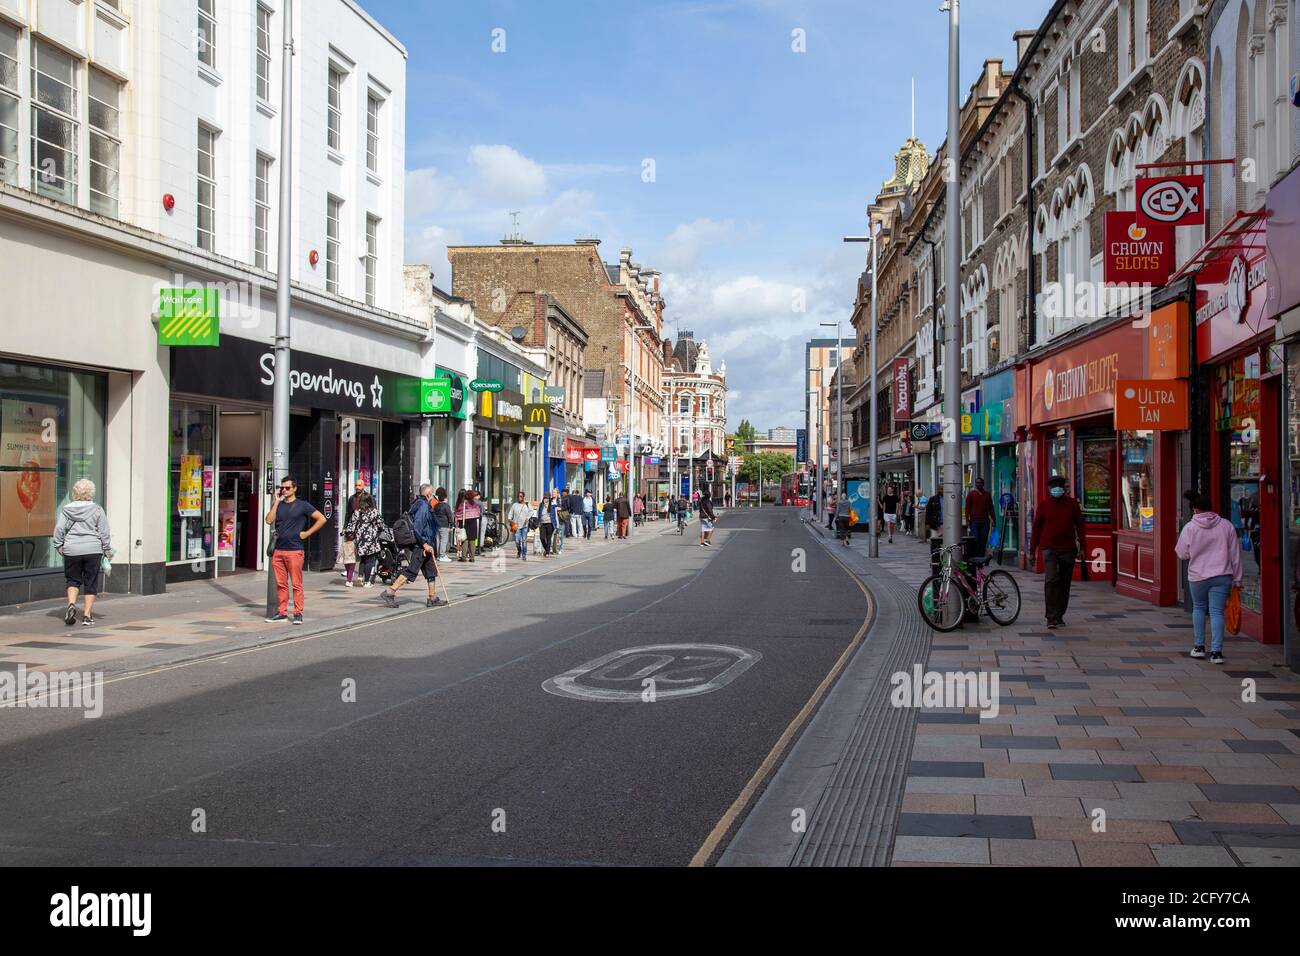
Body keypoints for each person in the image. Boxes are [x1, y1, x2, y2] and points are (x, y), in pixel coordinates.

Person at [1175, 491, 1243, 664]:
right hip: (1222, 575)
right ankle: (1217, 652)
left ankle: (1198, 647)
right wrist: (1238, 579)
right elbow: (1235, 554)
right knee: (1216, 612)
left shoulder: (1190, 527)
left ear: (1194, 509)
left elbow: (1182, 553)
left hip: (1198, 576)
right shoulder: (1226, 526)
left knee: (1199, 608)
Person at [264, 476, 326, 624]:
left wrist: (307, 533)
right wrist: (277, 501)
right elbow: (268, 520)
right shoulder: (278, 504)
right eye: (282, 488)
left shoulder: (302, 505)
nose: (284, 490)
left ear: (295, 489)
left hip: (295, 550)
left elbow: (322, 518)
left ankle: (298, 613)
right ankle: (282, 612)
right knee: (281, 584)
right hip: (278, 550)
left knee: (296, 584)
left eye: (287, 488)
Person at [52, 478, 112, 627]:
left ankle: (72, 604)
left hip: (72, 549)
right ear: (91, 493)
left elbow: (59, 529)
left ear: (75, 492)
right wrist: (106, 549)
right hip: (93, 550)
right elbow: (104, 532)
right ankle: (86, 616)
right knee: (90, 582)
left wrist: (59, 545)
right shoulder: (98, 509)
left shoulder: (67, 509)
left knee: (72, 580)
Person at [1029, 474, 1085, 629]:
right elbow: (1036, 528)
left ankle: (1059, 614)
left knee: (1064, 583)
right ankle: (1051, 617)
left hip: (1068, 548)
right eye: (1053, 486)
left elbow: (1080, 525)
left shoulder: (1072, 504)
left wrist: (1083, 547)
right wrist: (1032, 550)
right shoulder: (1044, 505)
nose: (1056, 489)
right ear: (1049, 488)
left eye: (1059, 486)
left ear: (1064, 488)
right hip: (1049, 548)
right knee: (1052, 579)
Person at [382, 483, 447, 608]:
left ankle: (432, 597)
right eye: (432, 493)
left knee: (431, 571)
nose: (433, 496)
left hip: (426, 544)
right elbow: (418, 527)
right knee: (412, 570)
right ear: (428, 494)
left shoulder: (419, 503)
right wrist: (424, 544)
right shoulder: (423, 506)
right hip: (421, 545)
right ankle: (390, 592)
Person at [343, 492, 386, 587]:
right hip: (371, 539)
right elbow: (381, 525)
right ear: (370, 501)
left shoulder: (357, 512)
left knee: (362, 559)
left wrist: (348, 533)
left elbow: (351, 526)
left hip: (360, 539)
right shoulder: (374, 512)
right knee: (370, 560)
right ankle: (367, 582)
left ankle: (360, 577)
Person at [340, 477, 366, 580]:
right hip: (352, 527)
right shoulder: (352, 498)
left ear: (363, 486)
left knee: (362, 550)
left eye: (359, 485)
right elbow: (348, 513)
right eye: (356, 485)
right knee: (349, 549)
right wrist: (345, 527)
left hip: (364, 527)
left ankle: (361, 572)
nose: (357, 487)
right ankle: (349, 570)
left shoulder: (368, 497)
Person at [965, 476, 994, 558]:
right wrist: (967, 520)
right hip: (974, 520)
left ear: (983, 484)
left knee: (983, 539)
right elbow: (967, 508)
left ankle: (981, 556)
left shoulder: (987, 494)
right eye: (977, 483)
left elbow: (991, 508)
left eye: (980, 483)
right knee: (975, 538)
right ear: (975, 484)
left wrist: (993, 520)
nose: (979, 484)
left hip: (985, 520)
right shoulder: (971, 494)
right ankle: (975, 555)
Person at [455, 489, 481, 562]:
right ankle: (472, 558)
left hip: (464, 523)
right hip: (473, 522)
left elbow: (458, 513)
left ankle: (464, 557)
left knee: (465, 539)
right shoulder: (475, 504)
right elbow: (478, 513)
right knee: (472, 540)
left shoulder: (463, 504)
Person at [508, 490, 533, 561]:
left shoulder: (527, 504)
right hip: (517, 526)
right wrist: (510, 519)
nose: (519, 498)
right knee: (517, 541)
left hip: (525, 526)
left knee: (524, 541)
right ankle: (519, 551)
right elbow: (510, 513)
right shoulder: (514, 505)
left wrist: (527, 518)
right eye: (518, 496)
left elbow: (531, 512)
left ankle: (524, 554)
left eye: (521, 496)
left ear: (523, 497)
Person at [433, 487, 454, 562]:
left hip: (437, 525)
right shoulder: (446, 506)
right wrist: (451, 524)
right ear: (445, 498)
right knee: (444, 540)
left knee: (438, 540)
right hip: (444, 525)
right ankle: (442, 555)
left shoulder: (436, 506)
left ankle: (438, 555)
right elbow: (449, 515)